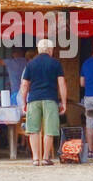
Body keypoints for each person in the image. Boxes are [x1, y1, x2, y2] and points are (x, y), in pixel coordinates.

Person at [20, 38, 67, 166]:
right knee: (49, 129)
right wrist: (64, 102)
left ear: (39, 50)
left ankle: (35, 158)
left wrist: (23, 102)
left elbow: (24, 85)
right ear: (50, 50)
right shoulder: (56, 64)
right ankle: (46, 158)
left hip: (34, 99)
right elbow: (61, 83)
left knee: (33, 129)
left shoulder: (30, 64)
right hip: (50, 99)